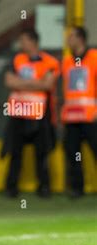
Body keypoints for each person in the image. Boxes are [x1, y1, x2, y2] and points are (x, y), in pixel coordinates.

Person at [2, 28, 60, 198]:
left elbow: (47, 85)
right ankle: (11, 188)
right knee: (15, 152)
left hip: (40, 114)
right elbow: (8, 81)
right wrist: (36, 82)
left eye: (24, 40)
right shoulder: (17, 59)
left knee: (42, 152)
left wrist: (20, 83)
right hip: (18, 113)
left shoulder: (50, 61)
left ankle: (44, 187)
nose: (21, 44)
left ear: (33, 42)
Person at [61, 26, 97, 198]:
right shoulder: (67, 61)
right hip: (71, 116)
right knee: (73, 153)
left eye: (71, 36)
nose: (68, 39)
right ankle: (77, 188)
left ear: (81, 38)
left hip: (91, 116)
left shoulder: (94, 57)